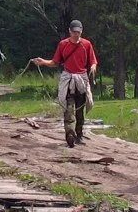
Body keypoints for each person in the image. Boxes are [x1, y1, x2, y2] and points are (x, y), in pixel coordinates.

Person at [31, 20, 98, 148]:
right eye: (74, 32)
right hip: (68, 80)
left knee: (80, 111)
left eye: (78, 32)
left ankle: (79, 134)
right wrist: (43, 62)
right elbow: (55, 62)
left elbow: (93, 61)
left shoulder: (86, 44)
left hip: (82, 81)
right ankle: (70, 135)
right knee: (68, 108)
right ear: (69, 31)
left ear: (81, 31)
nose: (76, 35)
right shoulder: (63, 44)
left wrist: (93, 67)